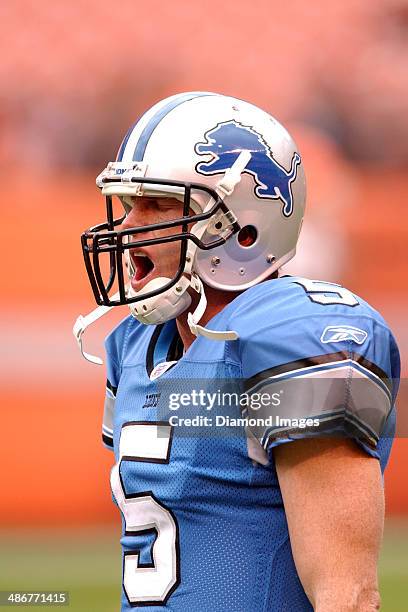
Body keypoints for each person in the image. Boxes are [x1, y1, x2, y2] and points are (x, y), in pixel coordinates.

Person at [74, 92, 400, 611]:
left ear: (241, 228)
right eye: (129, 203)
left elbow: (350, 596)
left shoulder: (295, 338)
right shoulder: (136, 345)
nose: (129, 226)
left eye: (157, 204)